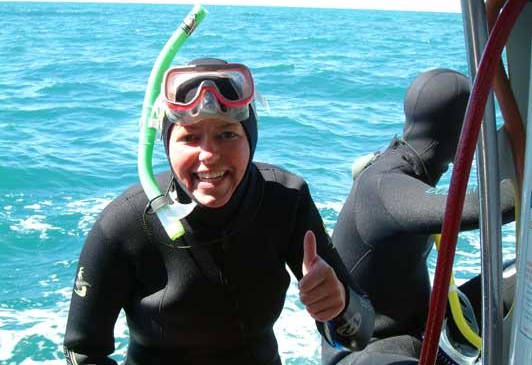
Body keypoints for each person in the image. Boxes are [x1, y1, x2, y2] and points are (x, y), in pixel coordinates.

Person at [63, 58, 375, 365]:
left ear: (250, 139)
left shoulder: (286, 200)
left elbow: (357, 337)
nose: (209, 155)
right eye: (189, 137)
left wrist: (338, 305)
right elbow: (82, 351)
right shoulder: (126, 222)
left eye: (227, 134)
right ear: (167, 144)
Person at [322, 68, 516, 365]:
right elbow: (472, 208)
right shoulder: (386, 184)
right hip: (366, 351)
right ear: (463, 130)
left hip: (419, 329)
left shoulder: (406, 170)